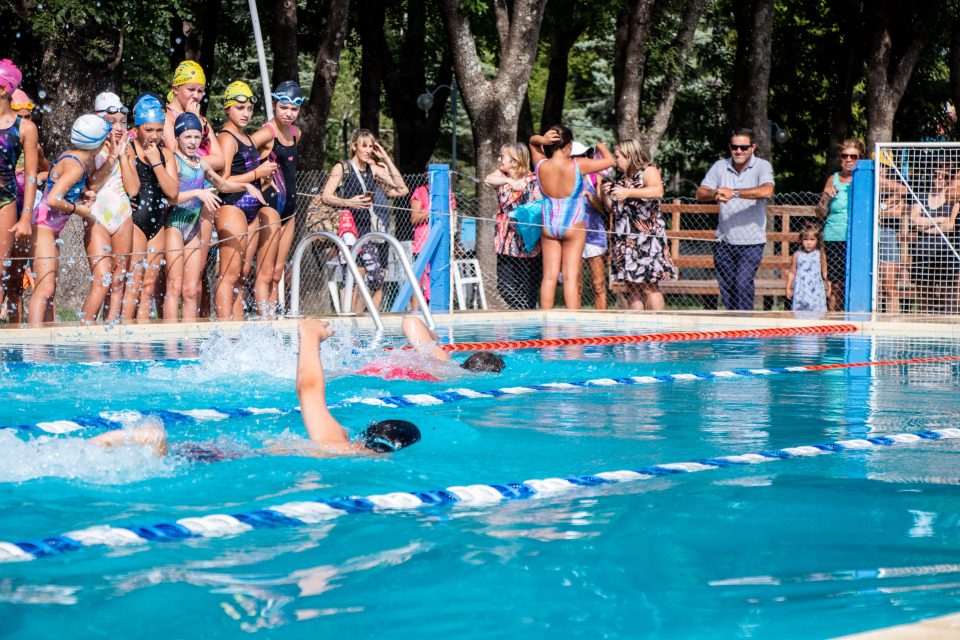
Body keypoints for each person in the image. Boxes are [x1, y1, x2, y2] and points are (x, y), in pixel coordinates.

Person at [91, 319, 422, 457]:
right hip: (240, 460)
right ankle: (154, 443)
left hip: (238, 456)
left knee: (172, 453)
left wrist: (309, 337)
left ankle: (154, 442)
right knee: (169, 455)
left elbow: (309, 390)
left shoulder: (340, 441)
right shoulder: (354, 456)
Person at [164, 113, 265, 321]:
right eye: (187, 137)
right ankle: (170, 344)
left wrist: (245, 185)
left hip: (193, 228)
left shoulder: (201, 163)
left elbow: (223, 185)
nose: (192, 142)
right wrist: (197, 193)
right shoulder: (173, 161)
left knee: (191, 290)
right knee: (174, 287)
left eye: (196, 137)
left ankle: (189, 346)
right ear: (178, 138)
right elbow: (171, 198)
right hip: (174, 224)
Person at [29, 114, 111, 325]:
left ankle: (45, 343)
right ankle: (33, 346)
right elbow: (54, 199)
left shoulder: (72, 157)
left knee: (49, 290)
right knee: (44, 289)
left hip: (49, 227)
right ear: (98, 145)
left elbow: (60, 186)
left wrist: (81, 193)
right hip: (43, 224)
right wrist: (78, 209)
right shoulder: (76, 166)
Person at [320, 129, 408, 313]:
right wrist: (348, 202)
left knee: (376, 278)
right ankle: (348, 318)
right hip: (350, 229)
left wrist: (385, 159)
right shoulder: (342, 167)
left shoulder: (374, 169)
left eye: (371, 146)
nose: (368, 150)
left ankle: (360, 318)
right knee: (353, 277)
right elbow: (326, 196)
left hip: (370, 230)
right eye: (364, 146)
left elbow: (401, 189)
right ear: (354, 147)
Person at [529, 125, 614, 309]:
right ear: (569, 145)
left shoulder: (541, 165)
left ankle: (547, 329)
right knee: (570, 278)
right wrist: (601, 146)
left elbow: (532, 142)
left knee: (549, 277)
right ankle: (572, 329)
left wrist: (541, 140)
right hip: (573, 225)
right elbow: (609, 161)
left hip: (550, 226)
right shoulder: (578, 165)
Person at [216, 80, 280, 319]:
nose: (245, 113)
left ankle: (238, 331)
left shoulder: (245, 137)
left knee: (242, 275)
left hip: (252, 210)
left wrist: (264, 177)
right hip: (233, 207)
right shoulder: (227, 138)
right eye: (239, 108)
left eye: (249, 109)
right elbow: (222, 181)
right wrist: (257, 174)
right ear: (227, 108)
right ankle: (224, 333)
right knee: (229, 275)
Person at [696, 128, 776, 310]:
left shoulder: (762, 166)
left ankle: (745, 329)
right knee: (727, 289)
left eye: (744, 147)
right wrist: (714, 193)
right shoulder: (720, 166)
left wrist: (736, 193)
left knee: (742, 284)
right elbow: (700, 193)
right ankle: (733, 330)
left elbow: (767, 191)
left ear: (753, 147)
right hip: (724, 241)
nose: (739, 151)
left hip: (752, 241)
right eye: (734, 147)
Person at [120, 95, 179, 321]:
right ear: (137, 128)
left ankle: (143, 339)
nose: (154, 136)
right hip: (136, 222)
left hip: (157, 224)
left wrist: (156, 162)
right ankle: (124, 334)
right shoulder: (129, 150)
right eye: (148, 130)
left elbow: (172, 193)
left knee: (149, 285)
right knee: (133, 283)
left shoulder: (166, 155)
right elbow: (131, 188)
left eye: (158, 129)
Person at [80, 91, 137, 322]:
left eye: (122, 122)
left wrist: (123, 155)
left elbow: (133, 189)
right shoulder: (90, 148)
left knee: (118, 280)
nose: (119, 127)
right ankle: (83, 332)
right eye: (112, 122)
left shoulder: (128, 148)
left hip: (123, 214)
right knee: (102, 279)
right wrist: (112, 156)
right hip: (97, 217)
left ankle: (111, 339)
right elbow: (91, 183)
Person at [603, 138, 675, 311]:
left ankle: (657, 332)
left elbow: (657, 190)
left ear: (630, 155)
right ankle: (636, 334)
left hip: (646, 239)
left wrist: (628, 192)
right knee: (632, 288)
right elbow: (611, 208)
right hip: (624, 239)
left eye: (618, 156)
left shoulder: (648, 170)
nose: (615, 160)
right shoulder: (621, 177)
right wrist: (604, 194)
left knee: (650, 287)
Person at [252, 80, 303, 312]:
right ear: (274, 105)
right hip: (270, 205)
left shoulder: (295, 133)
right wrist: (253, 177)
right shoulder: (266, 133)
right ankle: (263, 321)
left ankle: (272, 322)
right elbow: (240, 152)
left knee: (277, 272)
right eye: (284, 107)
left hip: (289, 210)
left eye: (293, 109)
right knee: (264, 271)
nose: (289, 113)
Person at [0, 60, 39, 323]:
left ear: (3, 88)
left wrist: (26, 217)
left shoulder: (25, 128)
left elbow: (33, 176)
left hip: (6, 200)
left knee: (1, 264)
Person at [357, 315, 505, 381]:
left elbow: (410, 321)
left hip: (378, 368)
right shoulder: (458, 378)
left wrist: (432, 337)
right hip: (397, 376)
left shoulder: (444, 359)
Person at [484, 142, 543, 309]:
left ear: (515, 162)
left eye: (502, 157)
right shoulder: (502, 176)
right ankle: (519, 312)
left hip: (527, 244)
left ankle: (527, 325)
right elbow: (488, 180)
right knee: (505, 288)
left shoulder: (533, 181)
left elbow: (538, 209)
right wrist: (509, 180)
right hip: (505, 242)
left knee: (526, 291)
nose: (499, 159)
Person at [816, 138, 864, 312]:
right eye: (845, 156)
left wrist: (885, 206)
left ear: (861, 158)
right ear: (840, 158)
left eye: (854, 156)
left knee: (856, 282)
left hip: (858, 238)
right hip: (835, 236)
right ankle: (834, 325)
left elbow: (900, 190)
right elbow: (820, 212)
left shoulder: (866, 179)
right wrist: (826, 198)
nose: (849, 159)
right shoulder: (833, 179)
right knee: (836, 285)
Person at [909, 162, 960, 314]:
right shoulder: (922, 196)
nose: (939, 179)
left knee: (948, 294)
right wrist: (938, 220)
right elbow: (914, 222)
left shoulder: (953, 200)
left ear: (948, 179)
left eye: (943, 176)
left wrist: (925, 225)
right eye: (935, 175)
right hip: (923, 250)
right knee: (925, 296)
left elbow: (950, 225)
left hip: (945, 251)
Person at [408, 168, 457, 310]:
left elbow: (452, 217)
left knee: (438, 279)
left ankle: (438, 311)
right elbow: (414, 218)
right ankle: (416, 313)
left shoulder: (447, 194)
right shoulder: (420, 192)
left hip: (442, 244)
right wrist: (432, 211)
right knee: (419, 280)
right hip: (422, 244)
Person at [163, 60, 224, 172]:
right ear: (175, 89)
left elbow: (220, 161)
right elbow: (178, 158)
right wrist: (191, 119)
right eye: (190, 89)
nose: (196, 95)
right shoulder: (166, 116)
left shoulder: (202, 119)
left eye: (200, 91)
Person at [576, 143, 610, 310]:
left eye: (586, 155)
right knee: (576, 286)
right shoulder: (564, 178)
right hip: (573, 236)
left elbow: (603, 208)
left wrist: (590, 196)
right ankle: (573, 329)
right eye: (580, 156)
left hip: (594, 235)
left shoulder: (595, 177)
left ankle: (602, 327)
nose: (585, 159)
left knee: (598, 284)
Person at [786, 221, 829, 312]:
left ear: (817, 240)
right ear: (801, 240)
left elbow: (825, 273)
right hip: (800, 291)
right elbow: (792, 272)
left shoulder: (820, 255)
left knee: (817, 314)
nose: (809, 243)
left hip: (816, 291)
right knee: (799, 315)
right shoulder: (797, 255)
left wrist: (829, 286)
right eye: (806, 239)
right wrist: (788, 287)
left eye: (812, 239)